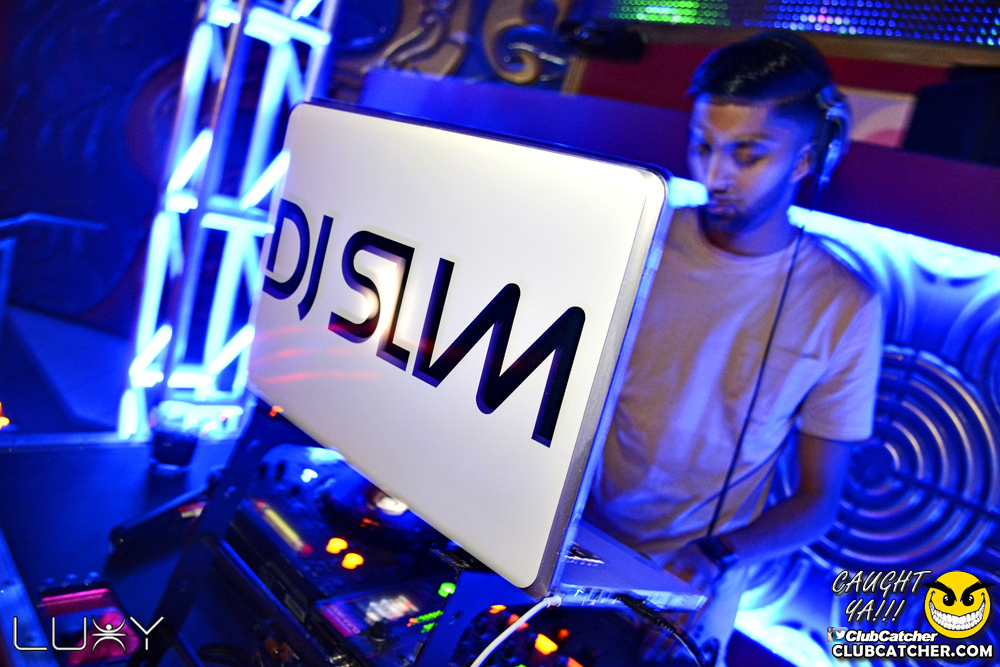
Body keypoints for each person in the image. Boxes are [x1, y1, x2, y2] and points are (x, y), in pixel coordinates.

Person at [584, 31, 884, 665]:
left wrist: (716, 555)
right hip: (573, 537)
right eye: (704, 146)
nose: (716, 175)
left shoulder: (846, 306)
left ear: (806, 160)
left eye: (748, 154)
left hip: (693, 585)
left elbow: (818, 502)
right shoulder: (638, 240)